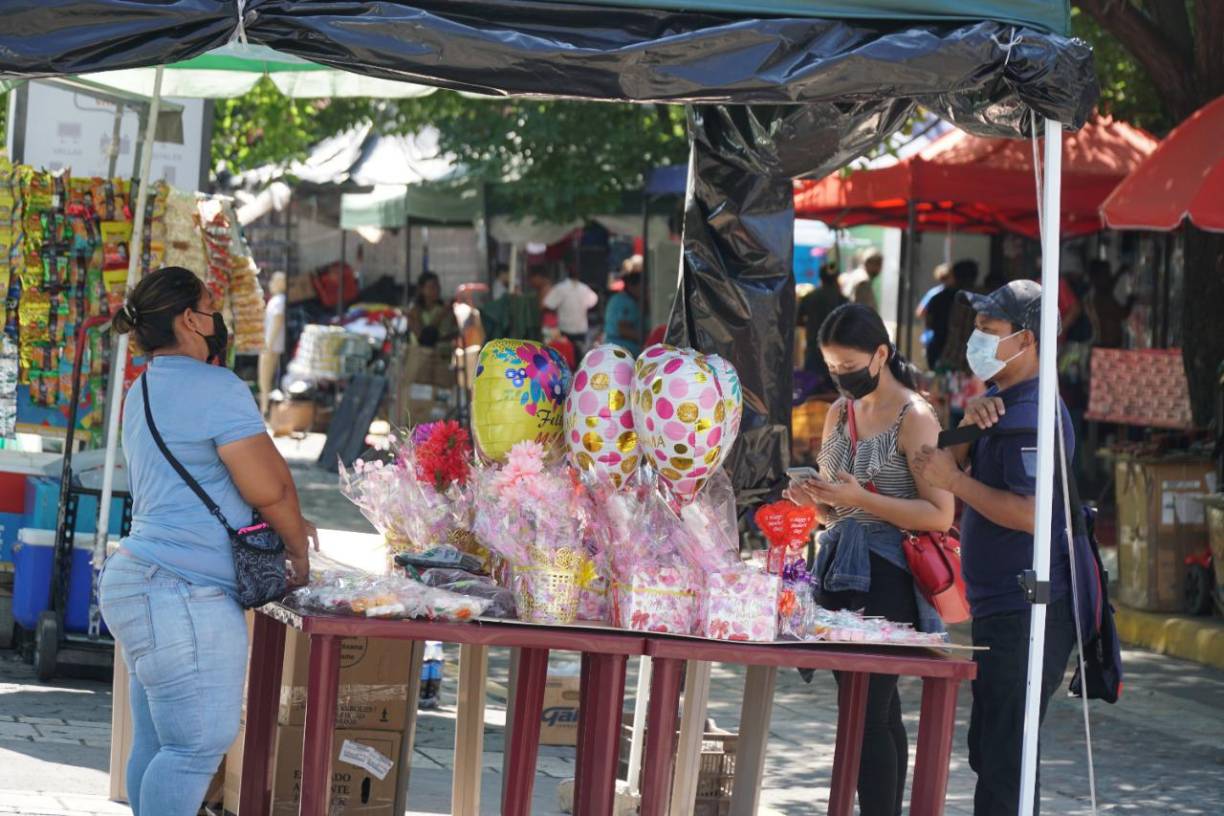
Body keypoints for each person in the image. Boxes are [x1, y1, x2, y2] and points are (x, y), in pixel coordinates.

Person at [101, 266, 316, 816]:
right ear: (190, 320)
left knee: (160, 744)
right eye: (210, 305)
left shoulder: (142, 387)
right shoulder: (216, 387)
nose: (218, 317)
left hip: (139, 581)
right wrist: (296, 551)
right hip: (182, 591)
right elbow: (271, 489)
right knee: (195, 746)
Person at [911, 280, 1076, 816]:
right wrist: (965, 427)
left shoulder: (1034, 415)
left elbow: (1032, 514)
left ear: (1027, 341)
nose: (977, 338)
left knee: (1007, 760)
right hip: (997, 606)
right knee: (990, 750)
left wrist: (955, 483)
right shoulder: (1001, 403)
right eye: (977, 327)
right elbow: (942, 465)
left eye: (990, 330)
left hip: (1026, 608)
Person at [785, 304, 953, 816]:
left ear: (881, 354)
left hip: (891, 576)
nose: (840, 377)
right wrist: (812, 499)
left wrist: (862, 500)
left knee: (865, 713)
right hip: (840, 569)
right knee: (875, 709)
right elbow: (834, 507)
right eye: (831, 367)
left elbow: (940, 514)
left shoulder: (915, 417)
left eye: (849, 366)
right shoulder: (839, 411)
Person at [927, 259, 980, 372]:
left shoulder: (941, 298)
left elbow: (929, 323)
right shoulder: (981, 301)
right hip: (970, 363)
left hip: (946, 355)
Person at [798, 262, 847, 375]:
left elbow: (797, 320)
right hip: (836, 353)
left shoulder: (810, 297)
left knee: (812, 385)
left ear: (820, 277)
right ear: (836, 278)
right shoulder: (843, 300)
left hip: (813, 350)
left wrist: (811, 325)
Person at [542, 265, 599, 358]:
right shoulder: (584, 289)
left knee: (565, 358)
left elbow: (548, 304)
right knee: (578, 358)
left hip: (565, 330)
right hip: (580, 330)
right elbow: (594, 301)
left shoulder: (560, 288)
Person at [406, 272, 459, 350]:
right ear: (422, 289)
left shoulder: (445, 309)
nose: (436, 290)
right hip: (422, 356)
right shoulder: (415, 311)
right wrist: (440, 316)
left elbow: (456, 332)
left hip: (443, 356)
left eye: (438, 286)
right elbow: (425, 338)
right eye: (432, 287)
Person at [1087, 260, 1133, 349]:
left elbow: (1110, 284)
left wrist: (1119, 272)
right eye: (1106, 274)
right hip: (1110, 345)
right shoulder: (1103, 298)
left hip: (1110, 343)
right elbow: (1123, 313)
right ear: (1097, 278)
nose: (1109, 276)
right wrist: (1131, 300)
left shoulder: (1100, 292)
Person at [604, 270, 644, 357]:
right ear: (631, 286)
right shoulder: (625, 302)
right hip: (623, 349)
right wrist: (645, 337)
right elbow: (623, 329)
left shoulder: (618, 298)